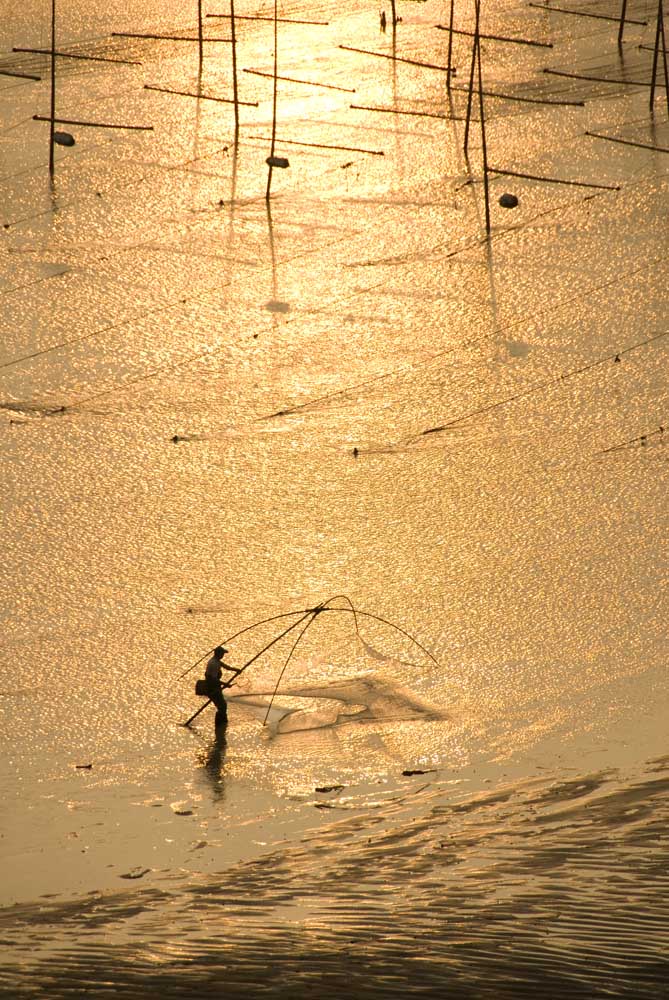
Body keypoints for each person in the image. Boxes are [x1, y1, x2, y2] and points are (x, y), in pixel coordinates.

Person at [205, 646, 240, 728]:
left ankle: (221, 724)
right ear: (218, 654)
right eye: (222, 653)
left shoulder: (217, 661)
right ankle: (220, 726)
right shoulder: (213, 663)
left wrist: (236, 670)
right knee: (222, 706)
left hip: (215, 687)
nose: (223, 655)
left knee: (222, 706)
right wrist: (225, 684)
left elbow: (227, 667)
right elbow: (213, 679)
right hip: (212, 688)